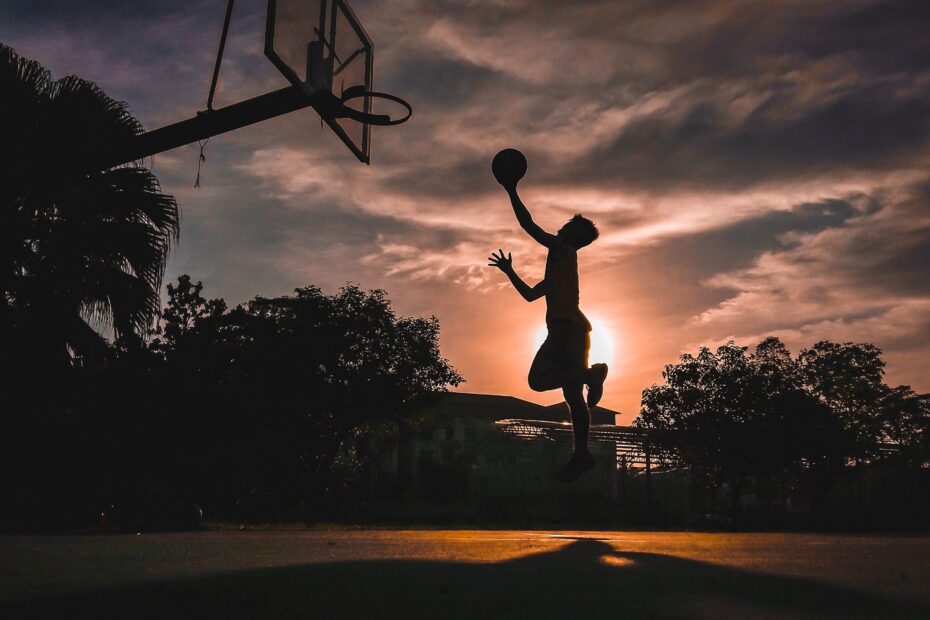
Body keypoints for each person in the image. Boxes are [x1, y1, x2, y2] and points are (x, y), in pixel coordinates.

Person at [488, 178, 608, 482]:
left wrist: (511, 190)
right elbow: (530, 295)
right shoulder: (562, 266)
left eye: (566, 225)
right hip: (576, 331)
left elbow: (529, 226)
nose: (560, 228)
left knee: (537, 380)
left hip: (565, 331)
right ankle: (581, 454)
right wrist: (510, 271)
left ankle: (591, 375)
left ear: (570, 234)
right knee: (573, 397)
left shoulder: (561, 248)